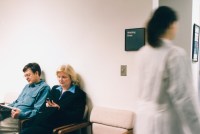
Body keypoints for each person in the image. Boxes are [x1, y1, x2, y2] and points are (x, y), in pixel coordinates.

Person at [134, 6, 200, 134]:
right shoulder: (175, 54)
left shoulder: (142, 53)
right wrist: (196, 128)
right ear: (171, 24)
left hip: (143, 122)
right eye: (176, 24)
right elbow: (185, 98)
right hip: (164, 124)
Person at [20, 64, 86, 134]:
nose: (60, 80)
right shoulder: (55, 89)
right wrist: (47, 106)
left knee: (26, 132)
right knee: (26, 126)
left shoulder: (78, 94)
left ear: (71, 78)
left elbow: (77, 117)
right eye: (59, 77)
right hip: (44, 121)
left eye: (64, 77)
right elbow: (43, 108)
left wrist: (59, 109)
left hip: (57, 126)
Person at [0, 62, 50, 133]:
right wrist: (5, 107)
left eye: (28, 75)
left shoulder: (44, 88)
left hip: (20, 118)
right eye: (25, 76)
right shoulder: (27, 86)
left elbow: (38, 111)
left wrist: (21, 114)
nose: (26, 78)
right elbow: (16, 102)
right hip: (10, 112)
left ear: (36, 73)